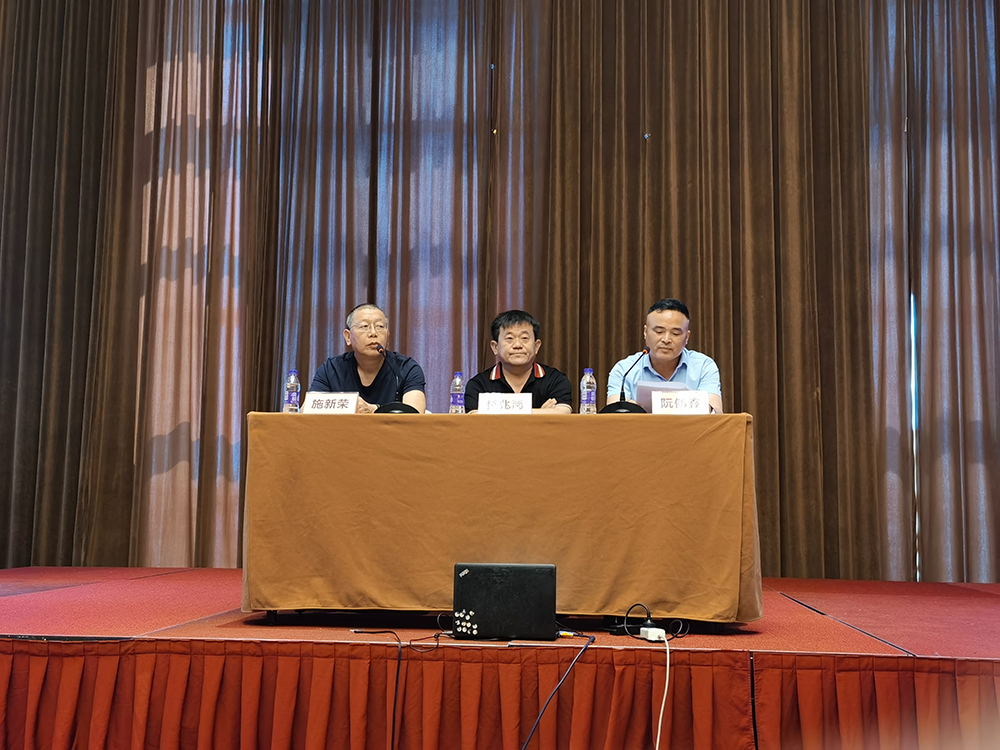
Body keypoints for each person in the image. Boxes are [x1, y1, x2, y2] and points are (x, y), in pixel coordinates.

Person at [606, 298, 724, 413]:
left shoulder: (703, 367)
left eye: (675, 333)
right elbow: (615, 411)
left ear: (687, 337)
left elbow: (715, 412)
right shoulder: (625, 370)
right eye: (659, 332)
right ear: (645, 332)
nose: (666, 339)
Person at [309, 303, 426, 413]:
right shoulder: (331, 369)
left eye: (380, 326)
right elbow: (308, 411)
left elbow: (415, 416)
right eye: (364, 326)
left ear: (388, 335)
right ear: (348, 337)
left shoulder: (407, 369)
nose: (373, 333)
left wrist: (375, 410)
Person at [465, 310, 573, 413]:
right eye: (509, 338)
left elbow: (563, 413)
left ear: (536, 346)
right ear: (495, 347)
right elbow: (474, 418)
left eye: (524, 338)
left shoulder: (555, 380)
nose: (517, 345)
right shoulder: (479, 385)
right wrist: (541, 412)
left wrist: (493, 413)